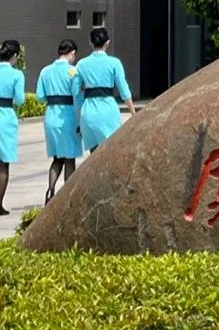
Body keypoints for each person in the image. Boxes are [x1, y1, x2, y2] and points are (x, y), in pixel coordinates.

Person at [36, 39, 84, 204]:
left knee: (57, 158)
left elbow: (40, 96)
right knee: (70, 158)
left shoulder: (45, 71)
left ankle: (50, 190)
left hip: (51, 116)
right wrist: (80, 120)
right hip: (68, 117)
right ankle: (68, 196)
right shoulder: (73, 71)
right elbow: (77, 96)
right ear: (72, 53)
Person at [77, 28, 135, 153]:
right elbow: (124, 89)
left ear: (90, 43)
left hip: (88, 111)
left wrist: (78, 119)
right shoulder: (114, 63)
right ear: (108, 42)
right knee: (111, 151)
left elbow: (76, 92)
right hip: (108, 109)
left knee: (94, 154)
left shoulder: (81, 64)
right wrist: (133, 112)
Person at [0, 39, 25, 215]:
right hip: (6, 116)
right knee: (3, 163)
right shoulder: (16, 75)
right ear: (15, 55)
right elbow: (20, 99)